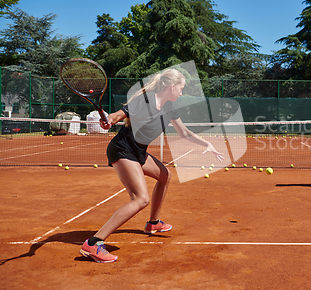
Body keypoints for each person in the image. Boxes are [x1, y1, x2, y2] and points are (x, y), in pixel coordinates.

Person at [80, 68, 224, 263]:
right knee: (140, 199)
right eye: (180, 88)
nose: (181, 92)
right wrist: (108, 121)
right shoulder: (144, 101)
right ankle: (93, 243)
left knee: (165, 176)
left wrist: (207, 144)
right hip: (123, 150)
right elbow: (117, 116)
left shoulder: (169, 107)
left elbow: (185, 133)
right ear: (172, 86)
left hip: (138, 151)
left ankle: (153, 223)